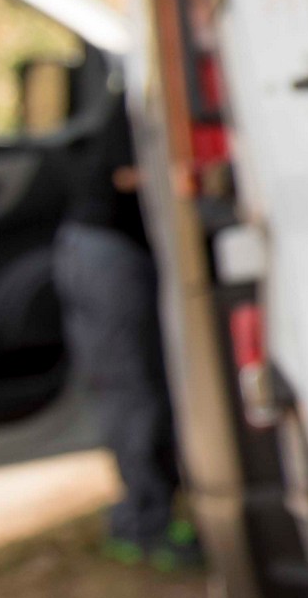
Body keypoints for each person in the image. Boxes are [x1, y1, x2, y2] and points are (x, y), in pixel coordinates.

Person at [53, 100, 199, 569]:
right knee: (134, 393)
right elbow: (127, 175)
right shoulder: (140, 92)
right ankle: (144, 527)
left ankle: (149, 515)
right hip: (107, 256)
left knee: (140, 389)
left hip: (102, 253)